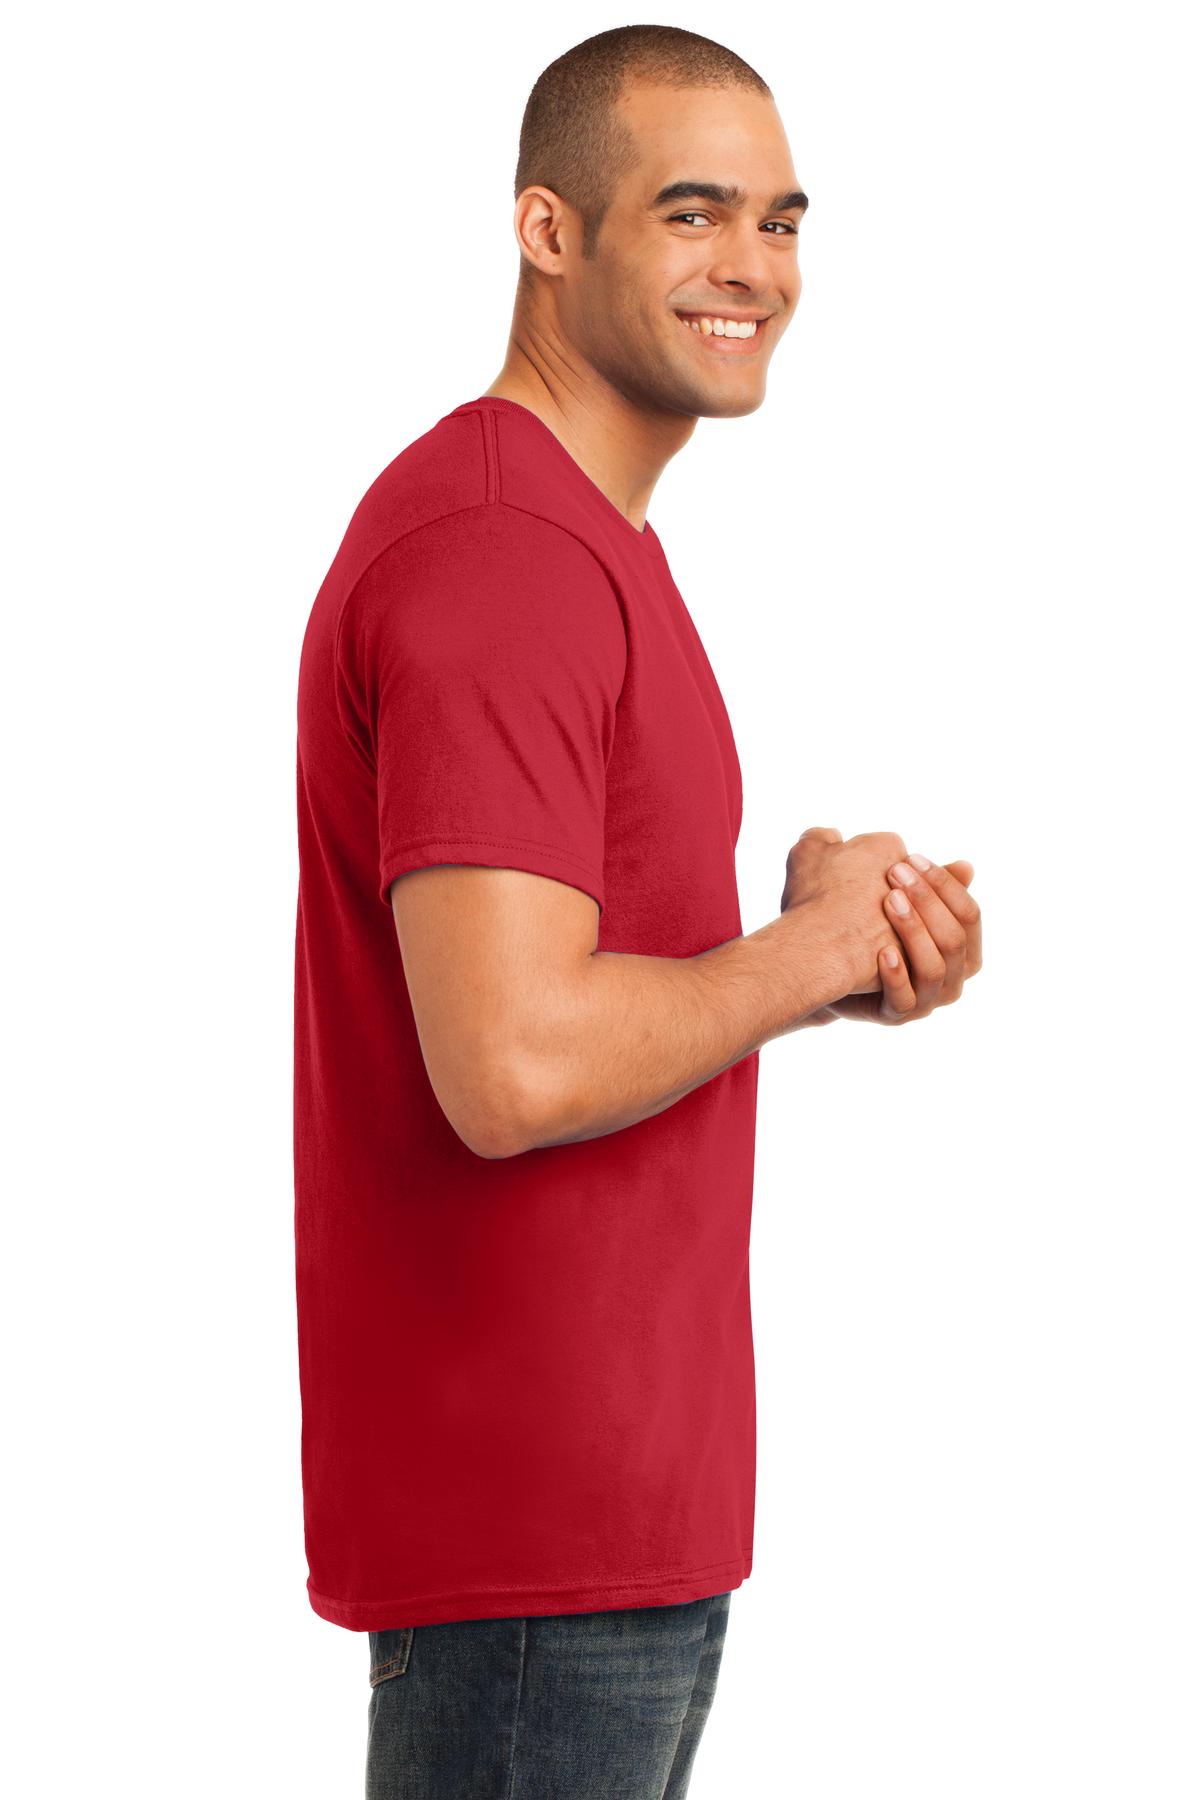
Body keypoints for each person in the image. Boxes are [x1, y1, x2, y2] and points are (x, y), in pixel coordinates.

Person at [292, 23, 983, 1799]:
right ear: (547, 229)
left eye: (782, 220)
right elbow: (512, 1063)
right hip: (532, 1535)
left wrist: (828, 951)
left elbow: (583, 993)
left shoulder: (587, 542)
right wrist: (803, 951)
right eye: (693, 213)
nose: (754, 267)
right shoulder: (504, 556)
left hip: (610, 1517)